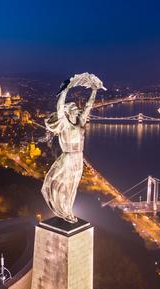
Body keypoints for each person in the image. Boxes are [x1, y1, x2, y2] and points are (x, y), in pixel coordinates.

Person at [41, 73, 106, 223]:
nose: (78, 111)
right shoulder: (64, 124)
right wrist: (65, 90)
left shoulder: (80, 123)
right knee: (64, 185)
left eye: (78, 110)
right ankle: (64, 211)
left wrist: (95, 90)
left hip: (78, 157)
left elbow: (89, 106)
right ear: (69, 112)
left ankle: (68, 210)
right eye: (75, 110)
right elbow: (59, 108)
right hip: (68, 157)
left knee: (73, 186)